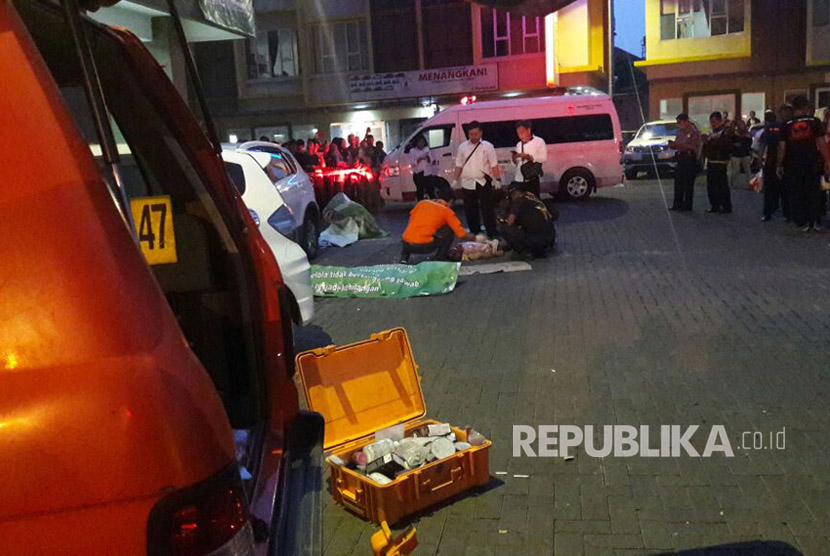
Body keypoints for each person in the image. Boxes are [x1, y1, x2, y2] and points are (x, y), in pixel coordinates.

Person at [776, 96, 829, 232]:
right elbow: (821, 143)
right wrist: (827, 160)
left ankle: (802, 221)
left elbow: (782, 147)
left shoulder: (786, 125)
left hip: (793, 163)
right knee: (813, 190)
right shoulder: (814, 122)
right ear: (805, 107)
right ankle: (815, 220)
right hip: (812, 161)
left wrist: (779, 164)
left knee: (797, 191)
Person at [400, 186, 474, 264]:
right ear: (450, 201)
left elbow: (413, 218)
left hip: (407, 244)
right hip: (424, 246)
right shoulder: (446, 211)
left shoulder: (421, 203)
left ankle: (404, 258)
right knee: (450, 231)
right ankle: (439, 258)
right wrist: (475, 238)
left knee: (412, 230)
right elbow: (461, 234)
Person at [454, 121, 502, 238]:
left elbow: (493, 164)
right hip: (467, 182)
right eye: (471, 134)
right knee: (470, 209)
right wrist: (455, 180)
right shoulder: (462, 147)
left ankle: (492, 232)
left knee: (487, 208)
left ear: (481, 133)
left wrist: (498, 179)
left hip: (483, 181)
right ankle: (475, 232)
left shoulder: (488, 146)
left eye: (475, 134)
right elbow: (459, 164)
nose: (473, 137)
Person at [493, 186, 557, 260]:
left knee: (504, 229)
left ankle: (525, 252)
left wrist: (501, 221)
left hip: (539, 241)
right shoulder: (530, 196)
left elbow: (510, 222)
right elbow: (553, 215)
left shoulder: (519, 201)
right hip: (550, 237)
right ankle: (528, 248)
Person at [668, 113, 701, 211]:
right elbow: (677, 143)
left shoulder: (694, 132)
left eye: (680, 122)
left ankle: (687, 205)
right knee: (678, 182)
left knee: (688, 183)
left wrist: (681, 145)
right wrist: (674, 145)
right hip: (680, 158)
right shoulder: (680, 132)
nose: (679, 125)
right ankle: (677, 203)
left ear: (686, 121)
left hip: (689, 158)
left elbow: (694, 147)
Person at [702, 112, 733, 213]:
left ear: (720, 121)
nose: (712, 124)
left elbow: (726, 145)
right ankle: (714, 205)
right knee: (711, 184)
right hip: (711, 160)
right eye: (711, 122)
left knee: (721, 184)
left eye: (714, 121)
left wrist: (712, 141)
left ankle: (725, 205)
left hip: (721, 161)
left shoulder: (725, 131)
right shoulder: (712, 132)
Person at [759, 110, 786, 221]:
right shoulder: (783, 126)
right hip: (784, 160)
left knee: (769, 188)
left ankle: (768, 213)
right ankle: (787, 214)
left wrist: (760, 160)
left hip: (771, 160)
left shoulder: (767, 129)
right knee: (783, 187)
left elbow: (762, 145)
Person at [511, 120, 547, 198]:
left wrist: (529, 157)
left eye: (522, 132)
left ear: (529, 130)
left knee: (533, 203)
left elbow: (543, 158)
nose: (520, 135)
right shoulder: (519, 144)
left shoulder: (539, 141)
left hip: (531, 178)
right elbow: (516, 164)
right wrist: (514, 158)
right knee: (520, 204)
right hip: (519, 178)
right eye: (518, 133)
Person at [409, 135, 434, 200]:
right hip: (418, 173)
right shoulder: (412, 151)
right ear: (416, 143)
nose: (421, 144)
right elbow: (412, 163)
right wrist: (418, 160)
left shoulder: (427, 149)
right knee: (420, 190)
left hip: (427, 173)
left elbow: (431, 161)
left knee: (430, 190)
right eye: (419, 142)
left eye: (422, 142)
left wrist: (428, 157)